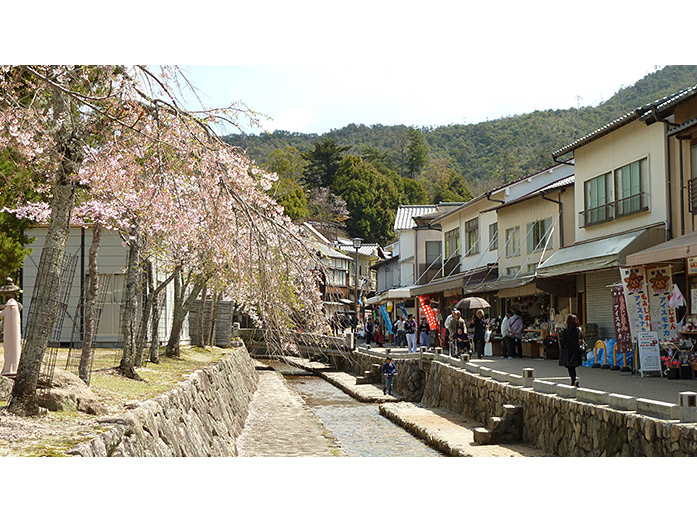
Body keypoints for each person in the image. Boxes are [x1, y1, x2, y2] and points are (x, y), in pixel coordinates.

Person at [559, 313, 584, 387]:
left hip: (568, 351)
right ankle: (574, 381)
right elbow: (582, 338)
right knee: (573, 366)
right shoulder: (578, 330)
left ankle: (573, 380)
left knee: (570, 367)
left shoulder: (565, 331)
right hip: (576, 350)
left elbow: (563, 342)